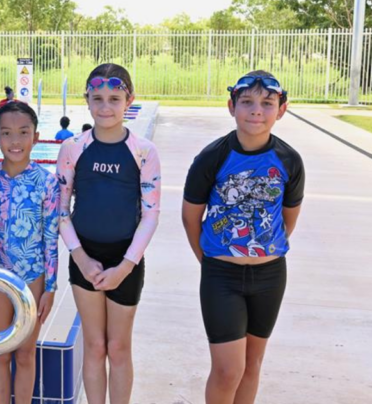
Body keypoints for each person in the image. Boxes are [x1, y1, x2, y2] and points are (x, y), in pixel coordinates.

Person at [182, 71, 304, 404]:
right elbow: (191, 217)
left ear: (281, 109)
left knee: (251, 366)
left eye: (267, 103)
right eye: (247, 102)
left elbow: (287, 220)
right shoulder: (213, 157)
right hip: (222, 275)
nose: (256, 111)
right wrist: (209, 260)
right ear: (231, 106)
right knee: (227, 370)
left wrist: (260, 249)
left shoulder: (289, 160)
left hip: (269, 275)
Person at [56, 63, 161, 404]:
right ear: (86, 99)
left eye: (114, 98)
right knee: (94, 344)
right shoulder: (73, 147)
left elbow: (150, 214)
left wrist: (126, 266)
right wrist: (80, 257)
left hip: (124, 259)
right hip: (84, 256)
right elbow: (61, 211)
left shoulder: (144, 151)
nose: (105, 107)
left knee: (118, 347)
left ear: (130, 99)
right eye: (97, 98)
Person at [0, 101, 60, 404]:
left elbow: (51, 238)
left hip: (32, 276)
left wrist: (50, 288)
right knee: (0, 351)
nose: (15, 141)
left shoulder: (47, 182)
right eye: (7, 133)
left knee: (25, 353)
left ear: (36, 137)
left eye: (23, 133)